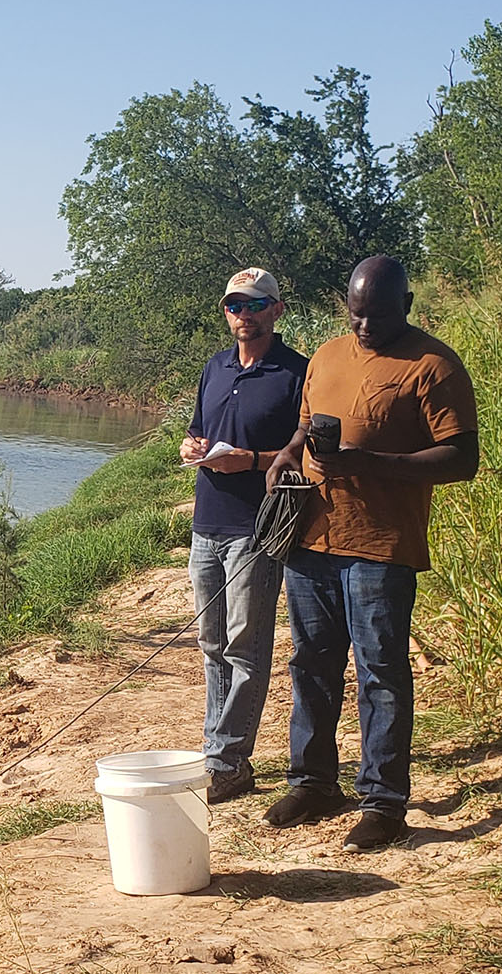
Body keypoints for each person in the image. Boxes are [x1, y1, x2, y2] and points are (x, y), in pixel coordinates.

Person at [261, 256, 479, 851]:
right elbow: (307, 426)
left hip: (380, 547)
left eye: (376, 317)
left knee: (380, 672)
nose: (363, 328)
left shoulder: (433, 366)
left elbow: (462, 459)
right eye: (355, 316)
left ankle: (383, 802)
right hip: (311, 537)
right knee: (310, 663)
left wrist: (370, 464)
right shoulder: (328, 355)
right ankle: (312, 782)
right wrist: (287, 455)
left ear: (405, 307)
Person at [177, 267, 307, 804]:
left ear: (276, 310)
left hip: (258, 528)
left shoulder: (297, 372)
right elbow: (195, 431)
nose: (243, 316)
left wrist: (249, 461)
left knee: (245, 648)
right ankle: (218, 753)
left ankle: (230, 762)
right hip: (206, 522)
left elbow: (304, 453)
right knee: (211, 645)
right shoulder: (215, 366)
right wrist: (191, 448)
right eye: (234, 306)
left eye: (254, 306)